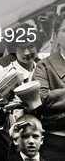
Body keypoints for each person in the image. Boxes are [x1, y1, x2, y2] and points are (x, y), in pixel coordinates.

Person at [31, 12, 65, 161]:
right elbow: (40, 98)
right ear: (56, 33)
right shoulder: (44, 65)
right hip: (55, 142)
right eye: (64, 30)